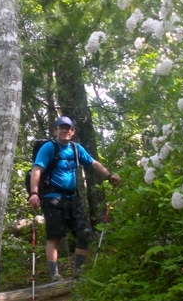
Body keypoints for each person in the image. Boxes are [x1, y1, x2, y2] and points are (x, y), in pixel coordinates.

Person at [28, 116, 120, 280]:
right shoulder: (49, 147)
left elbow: (93, 163)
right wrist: (34, 193)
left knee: (84, 233)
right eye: (61, 127)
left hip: (72, 199)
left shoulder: (76, 149)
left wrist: (109, 175)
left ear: (73, 131)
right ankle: (55, 275)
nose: (65, 130)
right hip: (51, 198)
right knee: (54, 236)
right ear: (56, 130)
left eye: (68, 128)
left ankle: (79, 273)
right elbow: (37, 170)